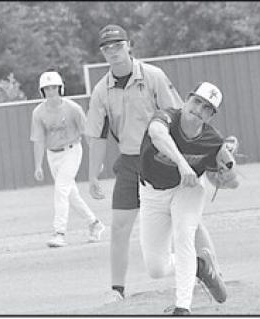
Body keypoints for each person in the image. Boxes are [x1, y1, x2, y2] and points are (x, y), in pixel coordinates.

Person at [84, 24, 184, 301]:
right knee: (119, 226)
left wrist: (182, 157)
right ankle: (117, 289)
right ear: (102, 53)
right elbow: (99, 135)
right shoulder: (101, 90)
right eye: (106, 48)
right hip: (129, 163)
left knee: (186, 220)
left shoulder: (153, 76)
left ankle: (210, 268)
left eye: (117, 45)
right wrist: (93, 176)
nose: (112, 52)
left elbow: (176, 115)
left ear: (129, 45)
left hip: (162, 157)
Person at [138, 81, 240, 315]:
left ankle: (182, 307)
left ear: (211, 116)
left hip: (188, 191)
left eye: (206, 108)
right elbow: (157, 135)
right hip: (152, 192)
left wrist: (228, 167)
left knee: (184, 235)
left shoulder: (213, 141)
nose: (198, 109)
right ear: (187, 99)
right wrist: (183, 165)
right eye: (196, 101)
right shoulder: (165, 117)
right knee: (156, 268)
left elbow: (229, 183)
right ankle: (200, 265)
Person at [30, 69, 105, 248]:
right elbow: (38, 140)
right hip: (52, 154)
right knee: (71, 195)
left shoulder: (72, 108)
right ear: (42, 92)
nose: (51, 92)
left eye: (54, 88)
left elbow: (87, 133)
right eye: (47, 89)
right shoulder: (39, 112)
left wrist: (96, 159)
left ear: (60, 88)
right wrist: (38, 165)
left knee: (61, 190)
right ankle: (95, 223)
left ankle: (59, 233)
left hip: (72, 151)